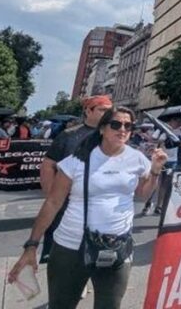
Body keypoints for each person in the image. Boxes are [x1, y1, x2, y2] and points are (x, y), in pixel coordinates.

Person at [8, 107, 166, 309]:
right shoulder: (77, 161)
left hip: (117, 247)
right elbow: (53, 203)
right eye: (116, 124)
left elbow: (142, 194)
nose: (123, 129)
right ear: (102, 129)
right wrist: (31, 245)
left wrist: (154, 171)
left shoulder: (137, 159)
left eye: (128, 125)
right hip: (72, 247)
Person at [39, 95, 113, 264]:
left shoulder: (113, 136)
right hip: (67, 204)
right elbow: (48, 165)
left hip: (99, 206)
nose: (108, 114)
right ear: (88, 110)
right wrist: (52, 195)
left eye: (110, 111)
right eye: (103, 110)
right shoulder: (68, 135)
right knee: (61, 255)